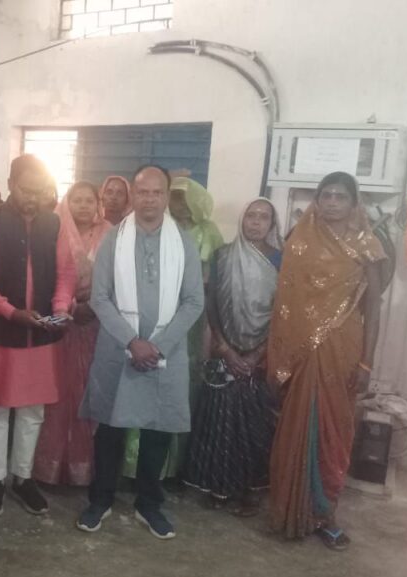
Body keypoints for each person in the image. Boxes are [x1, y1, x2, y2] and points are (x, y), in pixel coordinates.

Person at [77, 165, 204, 539]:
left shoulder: (184, 243)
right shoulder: (113, 240)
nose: (149, 199)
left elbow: (194, 301)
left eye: (157, 192)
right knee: (110, 429)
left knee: (157, 430)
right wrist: (133, 342)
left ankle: (149, 504)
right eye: (143, 192)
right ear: (133, 195)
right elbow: (100, 298)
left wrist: (158, 345)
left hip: (167, 353)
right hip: (119, 350)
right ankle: (100, 499)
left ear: (167, 196)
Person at [267, 171, 385, 551]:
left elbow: (374, 308)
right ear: (317, 200)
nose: (332, 202)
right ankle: (290, 508)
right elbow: (285, 300)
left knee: (334, 432)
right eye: (326, 195)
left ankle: (325, 513)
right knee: (296, 426)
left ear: (354, 203)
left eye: (340, 196)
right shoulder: (299, 239)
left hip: (343, 349)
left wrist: (366, 363)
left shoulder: (367, 244)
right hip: (300, 351)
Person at [0, 154, 77, 517]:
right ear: (10, 184)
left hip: (42, 333)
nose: (33, 198)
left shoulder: (54, 222)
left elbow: (65, 272)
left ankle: (23, 477)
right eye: (26, 190)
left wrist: (60, 308)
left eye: (39, 191)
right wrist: (9, 311)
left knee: (33, 411)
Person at [183, 198, 282, 516]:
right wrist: (225, 347)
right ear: (242, 219)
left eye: (263, 217)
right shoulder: (223, 255)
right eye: (251, 216)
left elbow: (284, 311)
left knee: (255, 426)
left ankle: (250, 490)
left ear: (272, 224)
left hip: (261, 355)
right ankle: (220, 486)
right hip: (225, 351)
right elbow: (212, 302)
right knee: (221, 423)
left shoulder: (282, 259)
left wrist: (256, 354)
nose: (256, 222)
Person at [123, 175, 224, 483]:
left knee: (177, 387)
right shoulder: (155, 228)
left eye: (182, 198)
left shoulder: (208, 232)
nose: (178, 205)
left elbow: (208, 282)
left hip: (188, 320)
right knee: (140, 380)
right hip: (148, 315)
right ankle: (133, 467)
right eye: (175, 198)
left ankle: (172, 468)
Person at [33, 181, 112, 487]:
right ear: (67, 202)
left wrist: (93, 305)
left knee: (88, 392)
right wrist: (70, 307)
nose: (83, 205)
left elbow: (117, 277)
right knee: (57, 393)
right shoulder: (53, 230)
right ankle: (50, 467)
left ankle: (84, 467)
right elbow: (45, 274)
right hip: (61, 321)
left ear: (97, 204)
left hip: (97, 323)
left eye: (89, 200)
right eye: (76, 199)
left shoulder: (111, 233)